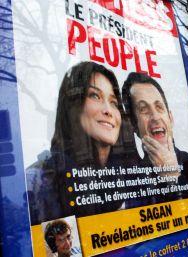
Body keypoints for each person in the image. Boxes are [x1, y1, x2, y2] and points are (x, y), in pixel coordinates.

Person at [27, 61, 126, 225]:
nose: (109, 110)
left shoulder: (128, 178)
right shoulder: (37, 179)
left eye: (114, 102)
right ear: (72, 107)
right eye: (95, 95)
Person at [122, 72, 188, 203]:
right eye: (144, 109)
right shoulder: (131, 181)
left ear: (170, 118)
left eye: (159, 107)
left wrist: (173, 179)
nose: (155, 117)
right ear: (133, 125)